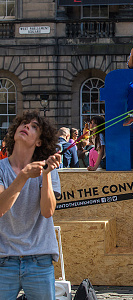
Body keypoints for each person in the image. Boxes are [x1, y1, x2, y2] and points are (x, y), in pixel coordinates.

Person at [0, 111, 61, 299]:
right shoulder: (2, 168)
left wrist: (46, 174)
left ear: (39, 142)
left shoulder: (47, 170)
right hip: (4, 261)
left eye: (34, 126)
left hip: (39, 260)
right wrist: (24, 176)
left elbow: (48, 211)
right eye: (24, 123)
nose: (26, 126)